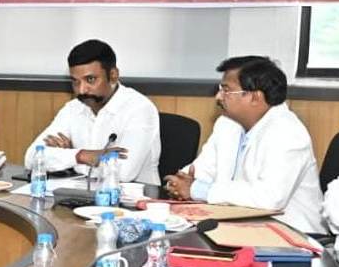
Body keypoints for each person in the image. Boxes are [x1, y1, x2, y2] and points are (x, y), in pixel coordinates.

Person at [164, 56, 326, 234]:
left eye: (226, 90)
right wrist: (180, 183)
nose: (218, 97)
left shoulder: (288, 132)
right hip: (239, 226)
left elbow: (269, 198)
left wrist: (198, 189)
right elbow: (202, 169)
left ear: (255, 97)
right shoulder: (227, 124)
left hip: (293, 235)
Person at [23, 39, 161, 185]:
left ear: (113, 75)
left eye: (90, 79)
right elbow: (31, 158)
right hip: (82, 191)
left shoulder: (140, 109)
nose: (81, 90)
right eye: (75, 81)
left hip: (135, 196)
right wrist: (80, 155)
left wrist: (68, 159)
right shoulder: (74, 108)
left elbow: (122, 173)